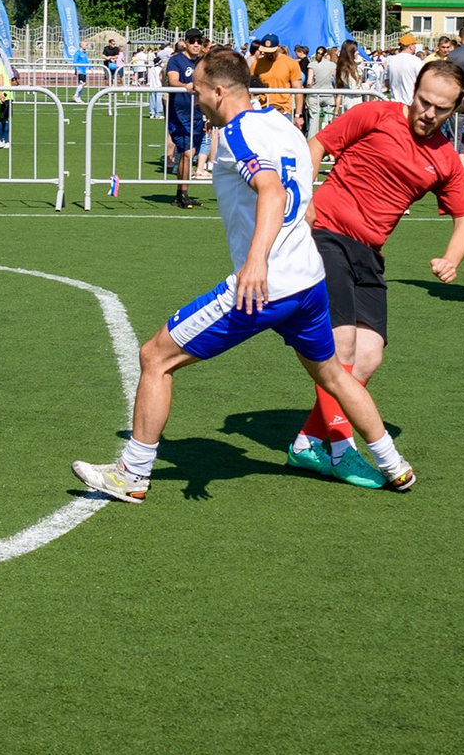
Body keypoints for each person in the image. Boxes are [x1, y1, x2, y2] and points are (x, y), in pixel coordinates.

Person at [69, 47, 414, 504]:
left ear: (217, 90)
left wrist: (256, 262)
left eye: (196, 90)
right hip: (307, 281)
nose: (194, 97)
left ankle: (132, 474)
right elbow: (301, 191)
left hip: (266, 285)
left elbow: (271, 190)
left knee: (156, 358)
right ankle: (394, 465)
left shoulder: (237, 134)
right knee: (333, 374)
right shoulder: (283, 125)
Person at [290, 61, 464, 485]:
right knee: (340, 349)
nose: (429, 114)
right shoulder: (375, 114)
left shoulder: (447, 160)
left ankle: (307, 441)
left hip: (370, 255)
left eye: (441, 109)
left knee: (369, 357)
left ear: (455, 110)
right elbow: (317, 144)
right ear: (412, 92)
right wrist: (305, 198)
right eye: (424, 102)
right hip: (327, 237)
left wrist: (452, 257)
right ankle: (341, 447)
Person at [162, 31, 203, 208]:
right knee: (187, 153)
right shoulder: (176, 60)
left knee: (190, 155)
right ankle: (183, 193)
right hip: (179, 113)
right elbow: (173, 80)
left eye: (199, 42)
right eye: (192, 41)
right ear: (185, 43)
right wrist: (185, 86)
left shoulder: (203, 62)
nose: (196, 44)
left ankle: (181, 193)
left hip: (198, 114)